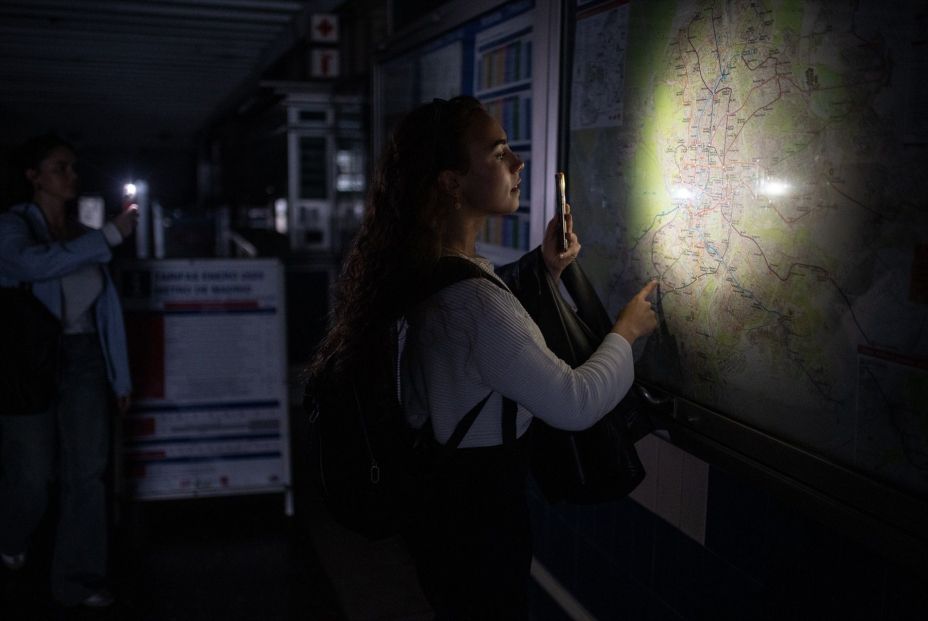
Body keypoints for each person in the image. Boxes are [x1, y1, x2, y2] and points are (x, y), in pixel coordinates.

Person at [308, 96, 657, 619]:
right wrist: (627, 330)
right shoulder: (472, 302)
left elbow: (482, 330)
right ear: (452, 182)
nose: (518, 164)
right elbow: (575, 402)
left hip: (442, 514)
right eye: (498, 154)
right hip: (481, 525)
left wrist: (545, 268)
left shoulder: (425, 270)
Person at [0, 134, 138, 608]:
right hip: (28, 362)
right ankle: (10, 535)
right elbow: (30, 265)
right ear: (33, 177)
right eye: (60, 167)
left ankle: (79, 580)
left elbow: (106, 311)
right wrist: (110, 236)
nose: (71, 176)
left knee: (88, 472)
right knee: (32, 476)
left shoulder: (82, 233)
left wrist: (119, 376)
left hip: (83, 359)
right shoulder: (13, 227)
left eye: (74, 168)